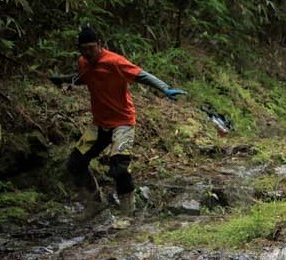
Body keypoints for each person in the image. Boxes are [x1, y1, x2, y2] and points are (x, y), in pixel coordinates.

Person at [50, 26, 187, 216]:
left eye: (91, 48)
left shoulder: (114, 62)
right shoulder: (83, 62)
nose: (88, 52)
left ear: (100, 45)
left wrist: (165, 89)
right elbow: (84, 77)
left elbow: (142, 75)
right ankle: (95, 204)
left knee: (119, 167)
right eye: (84, 49)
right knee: (75, 163)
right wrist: (63, 80)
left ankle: (127, 214)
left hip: (122, 122)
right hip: (99, 124)